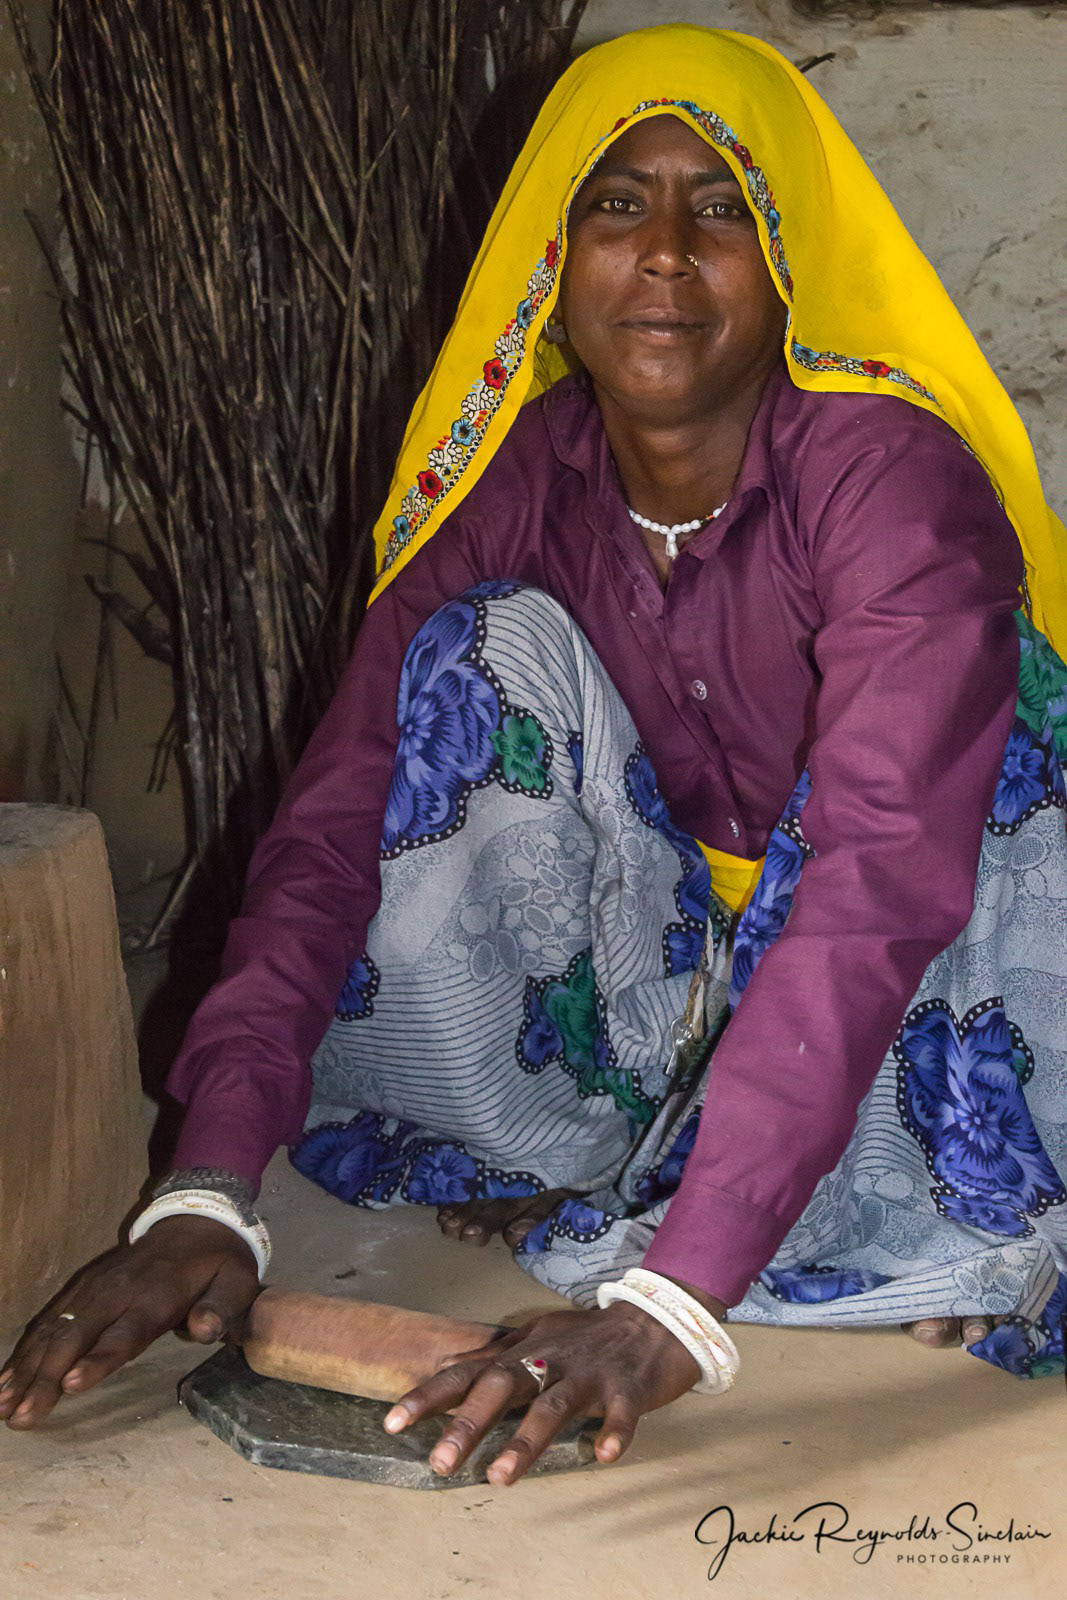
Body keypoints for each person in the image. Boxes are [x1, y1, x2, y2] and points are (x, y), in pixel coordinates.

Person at [4, 26, 1066, 1483]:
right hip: (685, 965)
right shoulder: (519, 472)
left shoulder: (889, 481)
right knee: (477, 655)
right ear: (555, 255)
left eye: (729, 208)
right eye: (620, 204)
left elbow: (884, 880)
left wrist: (672, 1310)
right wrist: (205, 1187)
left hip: (951, 946)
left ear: (796, 254)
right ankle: (659, 1167)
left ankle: (798, 1211)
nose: (672, 255)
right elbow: (337, 818)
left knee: (991, 767)